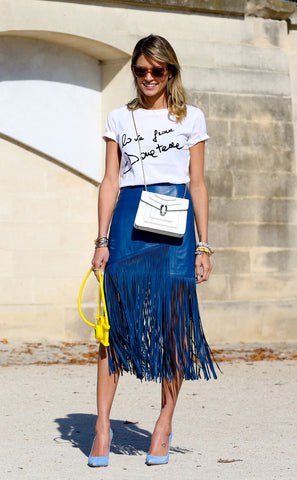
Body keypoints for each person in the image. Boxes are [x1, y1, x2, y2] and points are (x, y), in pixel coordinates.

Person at [89, 34, 217, 467]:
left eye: (156, 71)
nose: (148, 77)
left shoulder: (191, 118)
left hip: (175, 223)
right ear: (134, 72)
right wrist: (102, 239)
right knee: (114, 326)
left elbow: (197, 182)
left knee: (175, 324)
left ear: (170, 72)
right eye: (141, 70)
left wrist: (203, 244)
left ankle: (163, 423)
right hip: (128, 219)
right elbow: (109, 180)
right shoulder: (119, 119)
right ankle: (102, 425)